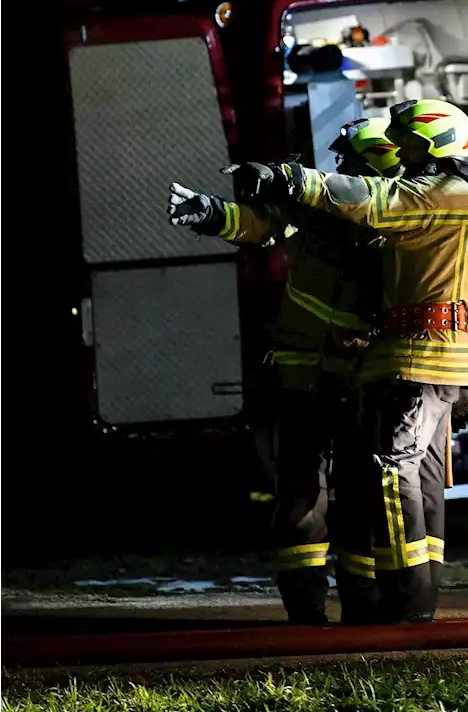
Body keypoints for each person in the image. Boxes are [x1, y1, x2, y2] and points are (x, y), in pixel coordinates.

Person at [222, 98, 468, 625]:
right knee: (405, 486)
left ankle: (407, 608)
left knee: (390, 478)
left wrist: (288, 178)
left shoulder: (432, 199)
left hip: (403, 365)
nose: (405, 160)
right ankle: (391, 608)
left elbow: (370, 200)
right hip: (419, 369)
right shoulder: (459, 207)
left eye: (412, 148)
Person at [166, 117, 399, 625]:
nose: (339, 170)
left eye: (350, 163)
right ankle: (311, 609)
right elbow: (262, 221)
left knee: (355, 492)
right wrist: (208, 213)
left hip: (355, 379)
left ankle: (356, 605)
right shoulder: (329, 210)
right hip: (313, 377)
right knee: (307, 494)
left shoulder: (403, 222)